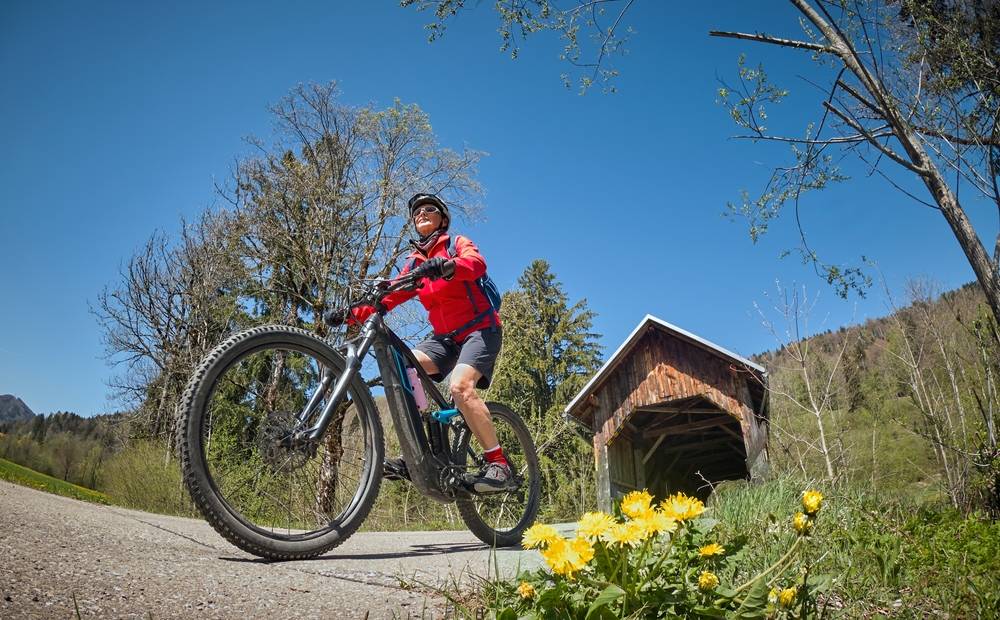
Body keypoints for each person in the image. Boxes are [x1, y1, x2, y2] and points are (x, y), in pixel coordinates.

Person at [326, 193, 510, 493]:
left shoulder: (456, 244)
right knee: (402, 368)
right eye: (416, 212)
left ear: (442, 218)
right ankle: (422, 451)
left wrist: (446, 266)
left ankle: (498, 463)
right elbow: (389, 296)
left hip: (480, 329)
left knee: (460, 387)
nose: (421, 213)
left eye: (429, 209)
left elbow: (476, 264)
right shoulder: (414, 262)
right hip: (445, 339)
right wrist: (349, 314)